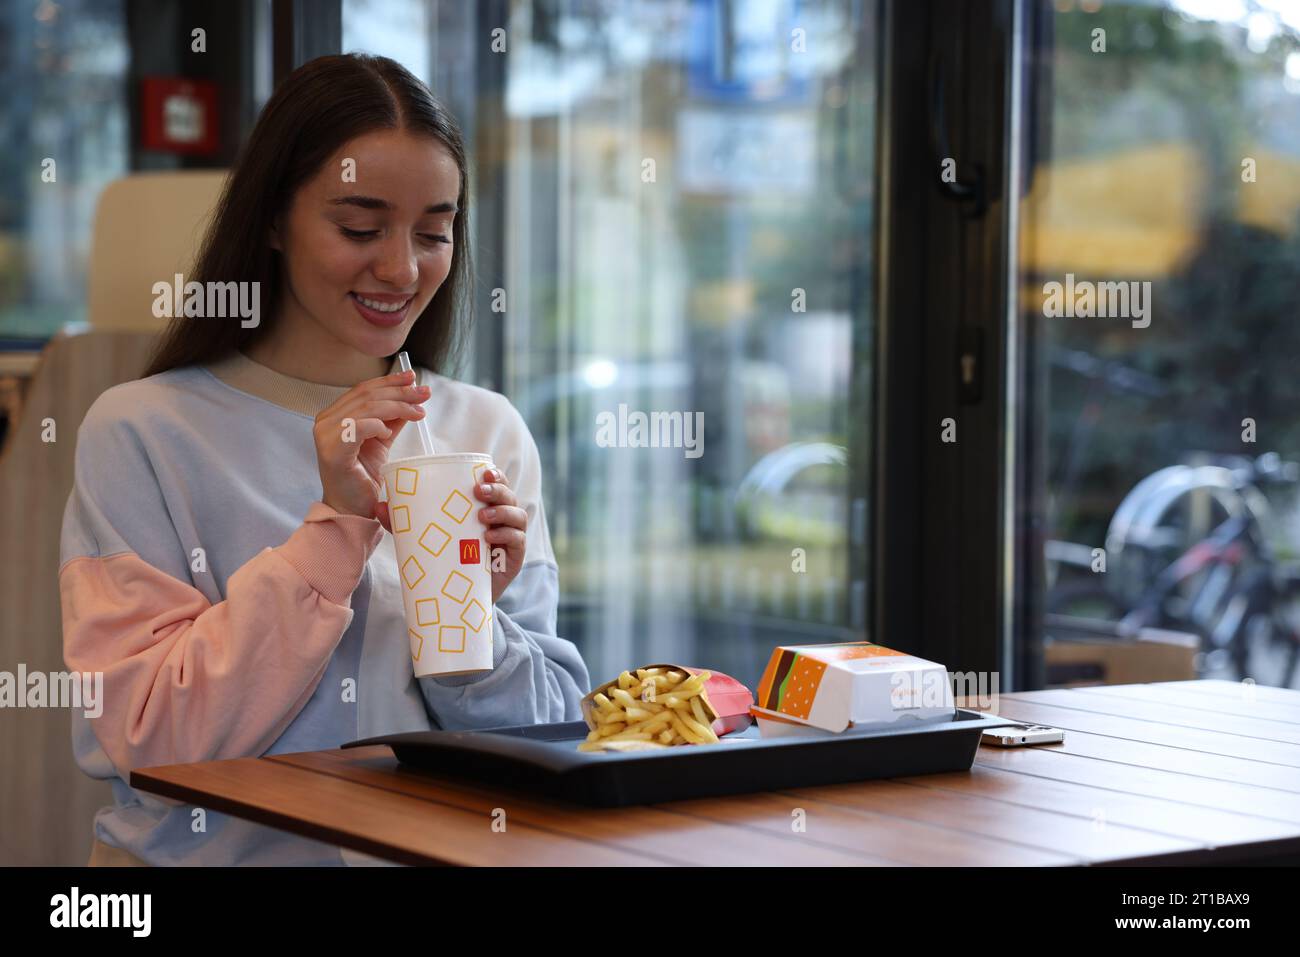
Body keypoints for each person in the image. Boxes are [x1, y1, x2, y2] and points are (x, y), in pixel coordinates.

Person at [59, 53, 589, 866]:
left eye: (434, 232)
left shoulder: (484, 428)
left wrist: (466, 619)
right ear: (273, 218)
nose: (402, 269)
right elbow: (144, 738)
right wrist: (337, 526)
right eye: (359, 227)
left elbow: (551, 734)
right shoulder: (142, 430)